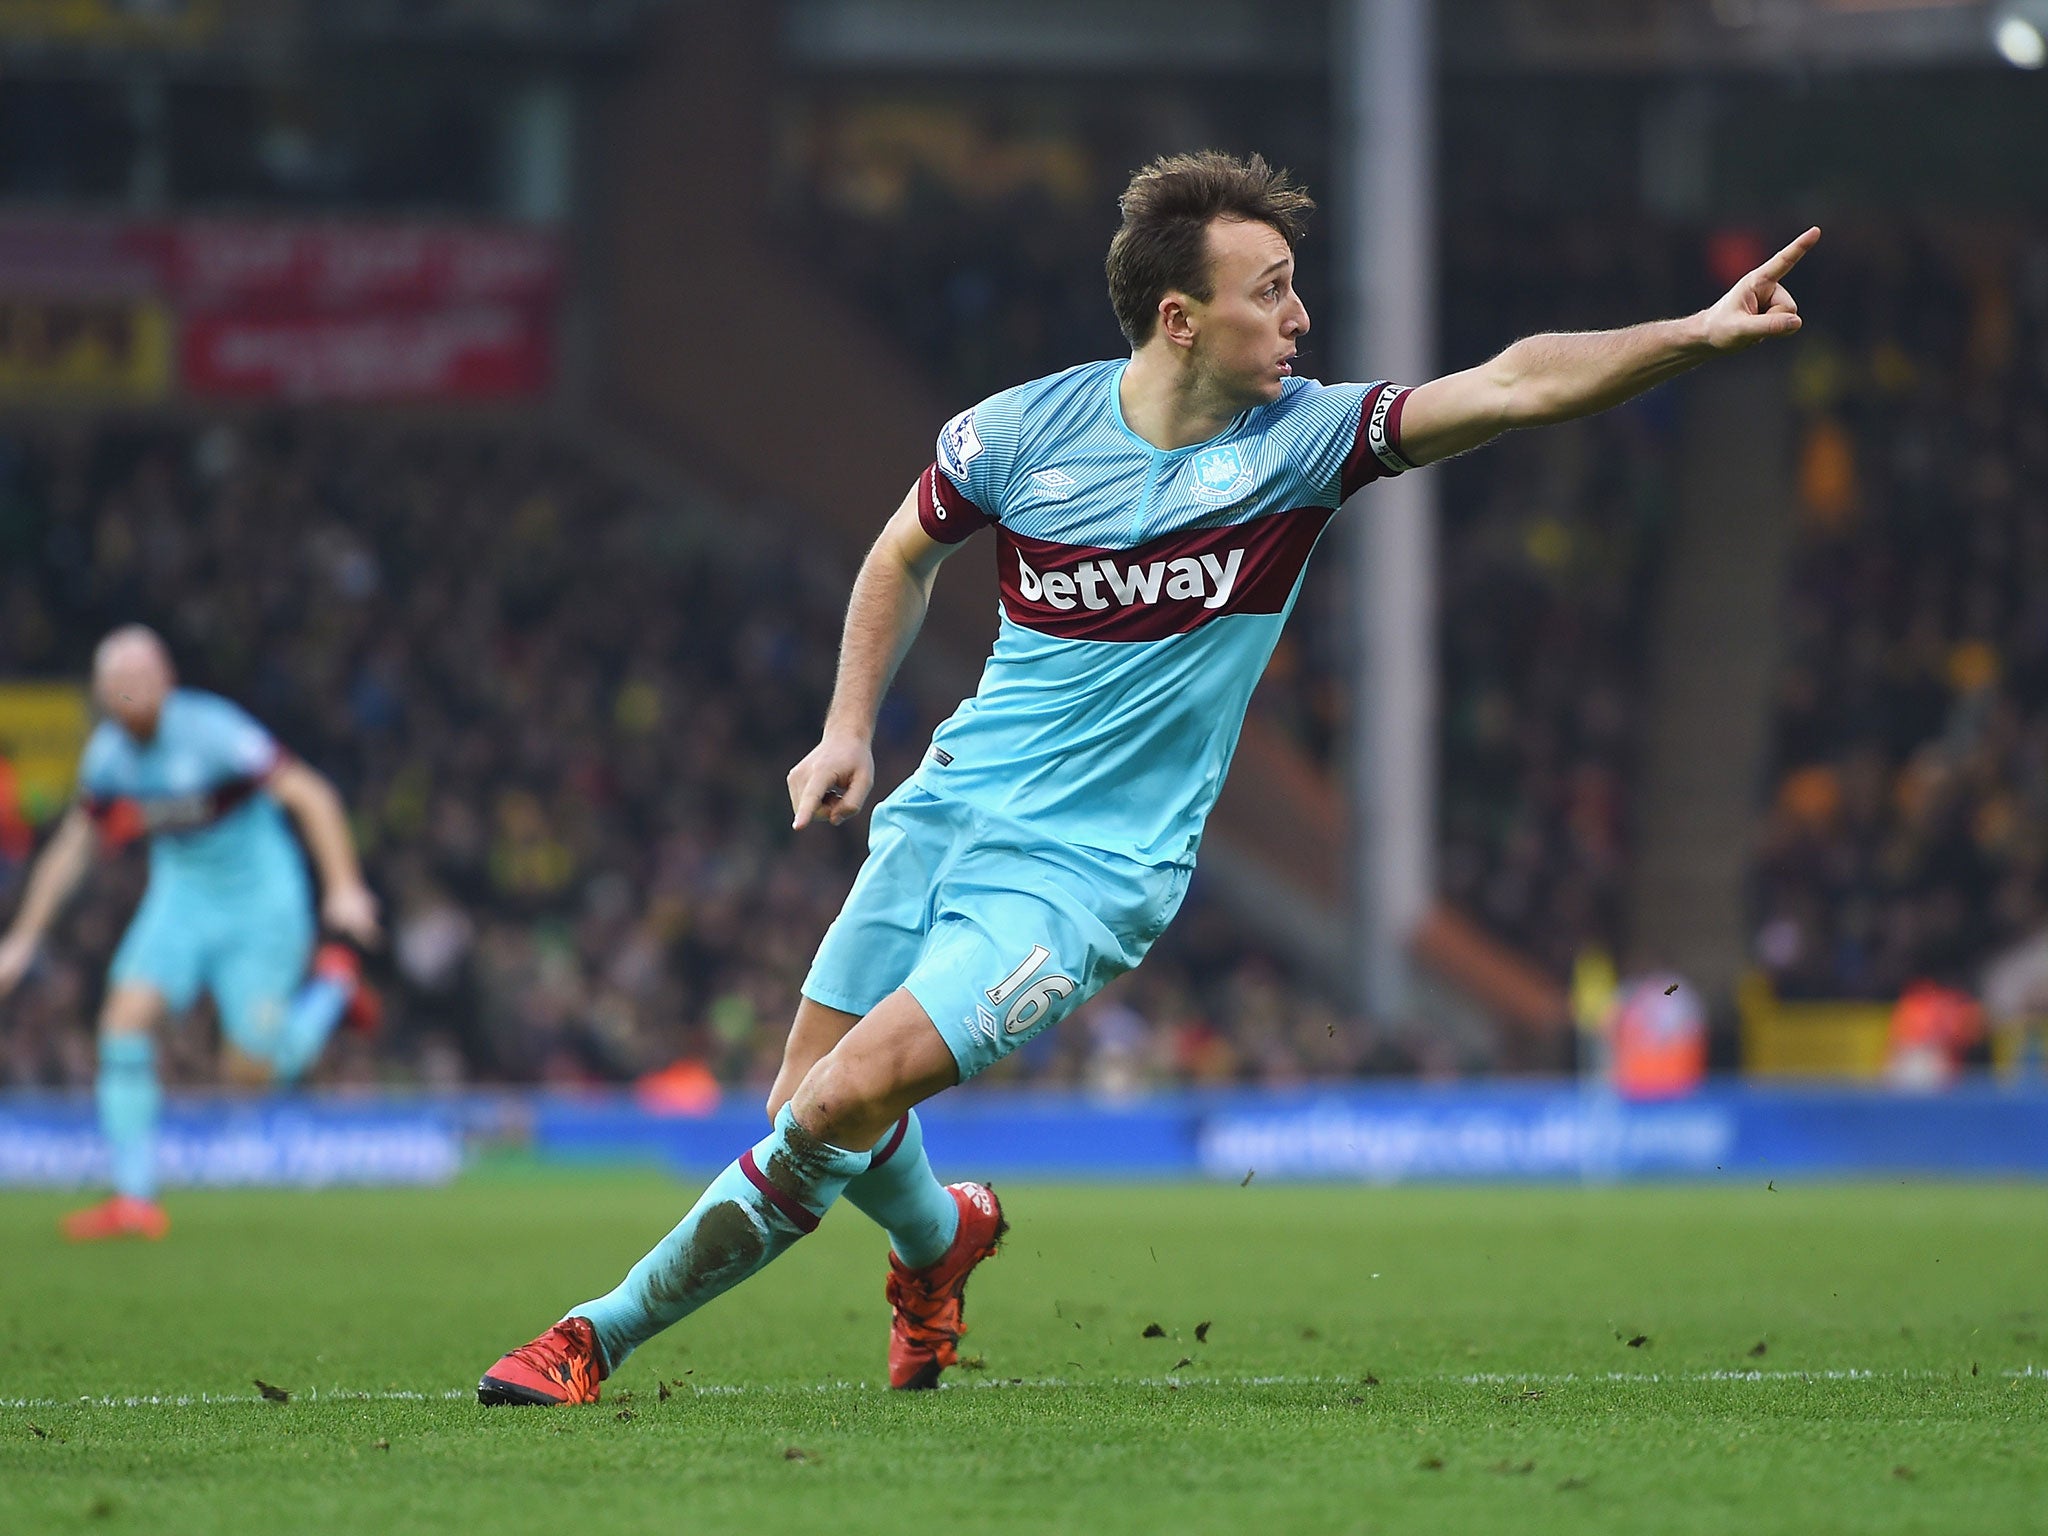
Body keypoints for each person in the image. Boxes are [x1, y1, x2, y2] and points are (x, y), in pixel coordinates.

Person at [477, 151, 1816, 1404]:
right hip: (948, 805)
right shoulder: (1018, 433)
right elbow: (898, 554)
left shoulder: (1305, 443)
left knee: (834, 1105)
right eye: (1270, 290)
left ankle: (595, 1336)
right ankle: (943, 1243)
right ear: (1181, 318)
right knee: (806, 1105)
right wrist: (848, 730)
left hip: (1086, 875)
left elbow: (1516, 383)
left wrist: (1689, 336)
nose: (1300, 316)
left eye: (1295, 286)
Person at [0, 626, 382, 1239]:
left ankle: (334, 987)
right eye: (115, 687)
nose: (128, 696)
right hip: (181, 900)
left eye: (138, 681)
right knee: (122, 1020)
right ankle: (135, 1200)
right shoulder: (108, 757)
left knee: (251, 1074)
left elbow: (310, 794)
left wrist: (342, 886)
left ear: (166, 680)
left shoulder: (214, 732)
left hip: (262, 904)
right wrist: (22, 938)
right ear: (102, 694)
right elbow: (73, 846)